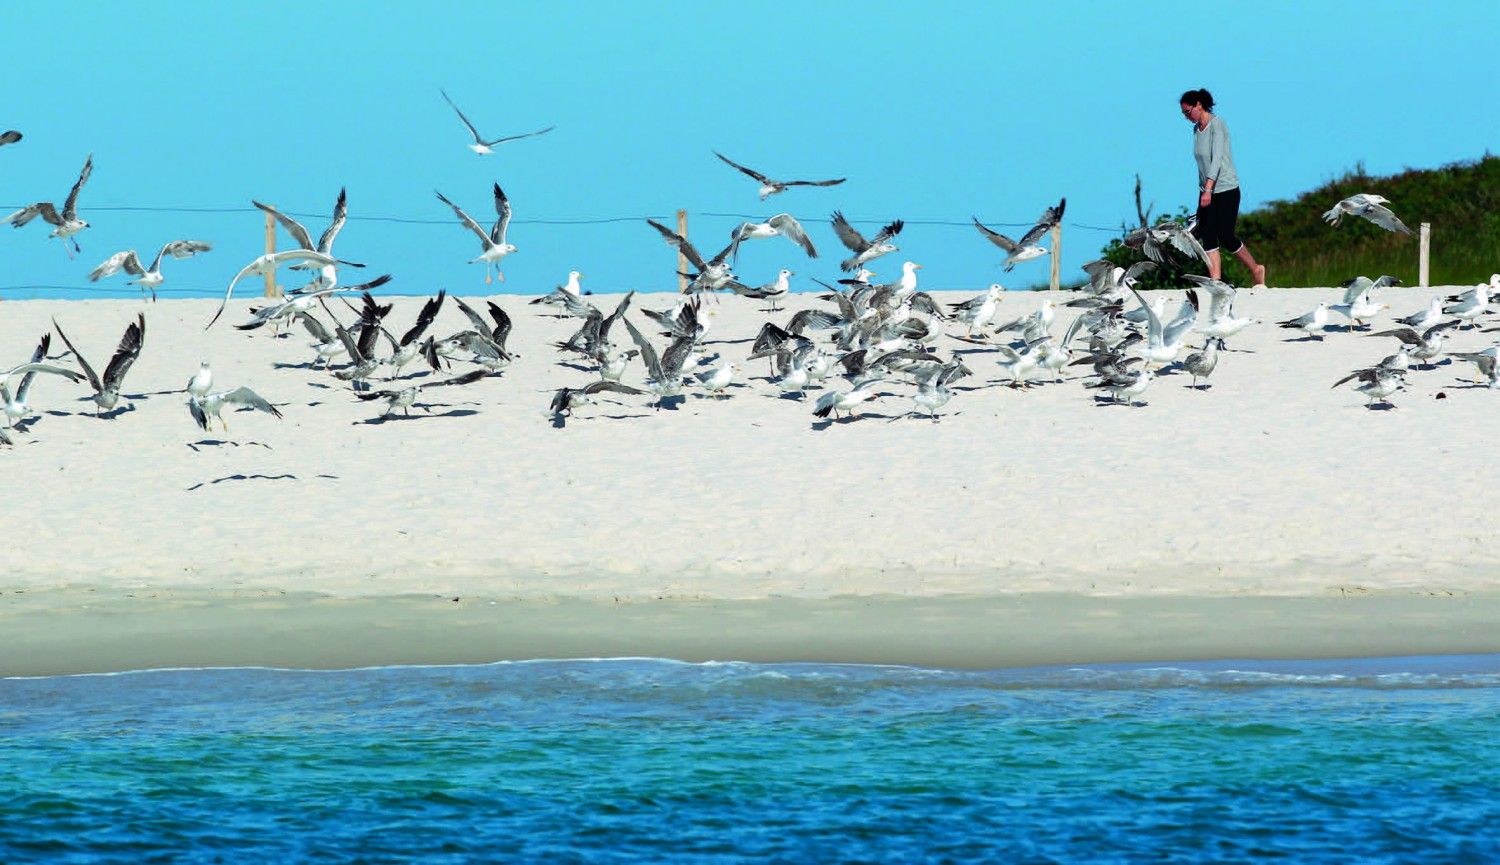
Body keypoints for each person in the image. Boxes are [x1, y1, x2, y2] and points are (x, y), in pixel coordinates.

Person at [1181, 88, 1267, 286]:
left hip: (1226, 189)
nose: (1186, 117)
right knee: (1207, 235)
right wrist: (1203, 190)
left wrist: (1209, 188)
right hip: (1206, 191)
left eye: (1188, 112)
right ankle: (1216, 282)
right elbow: (1201, 164)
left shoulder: (1217, 125)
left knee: (1226, 236)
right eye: (1183, 114)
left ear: (1199, 105)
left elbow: (1217, 159)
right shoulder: (1196, 130)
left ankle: (1256, 269)